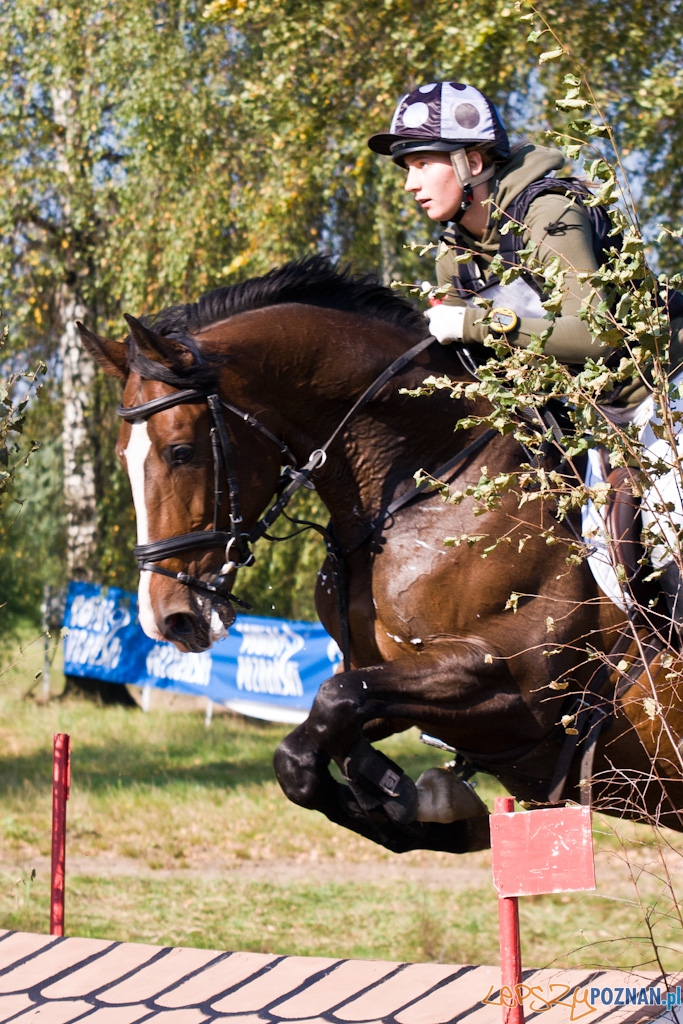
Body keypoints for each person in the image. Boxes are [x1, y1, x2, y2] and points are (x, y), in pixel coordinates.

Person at [368, 81, 683, 624]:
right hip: (592, 421)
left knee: (652, 546)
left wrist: (474, 321)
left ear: (471, 161)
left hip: (662, 394)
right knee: (595, 560)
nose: (410, 184)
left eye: (422, 164)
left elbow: (595, 336)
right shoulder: (455, 255)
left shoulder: (550, 212)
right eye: (407, 169)